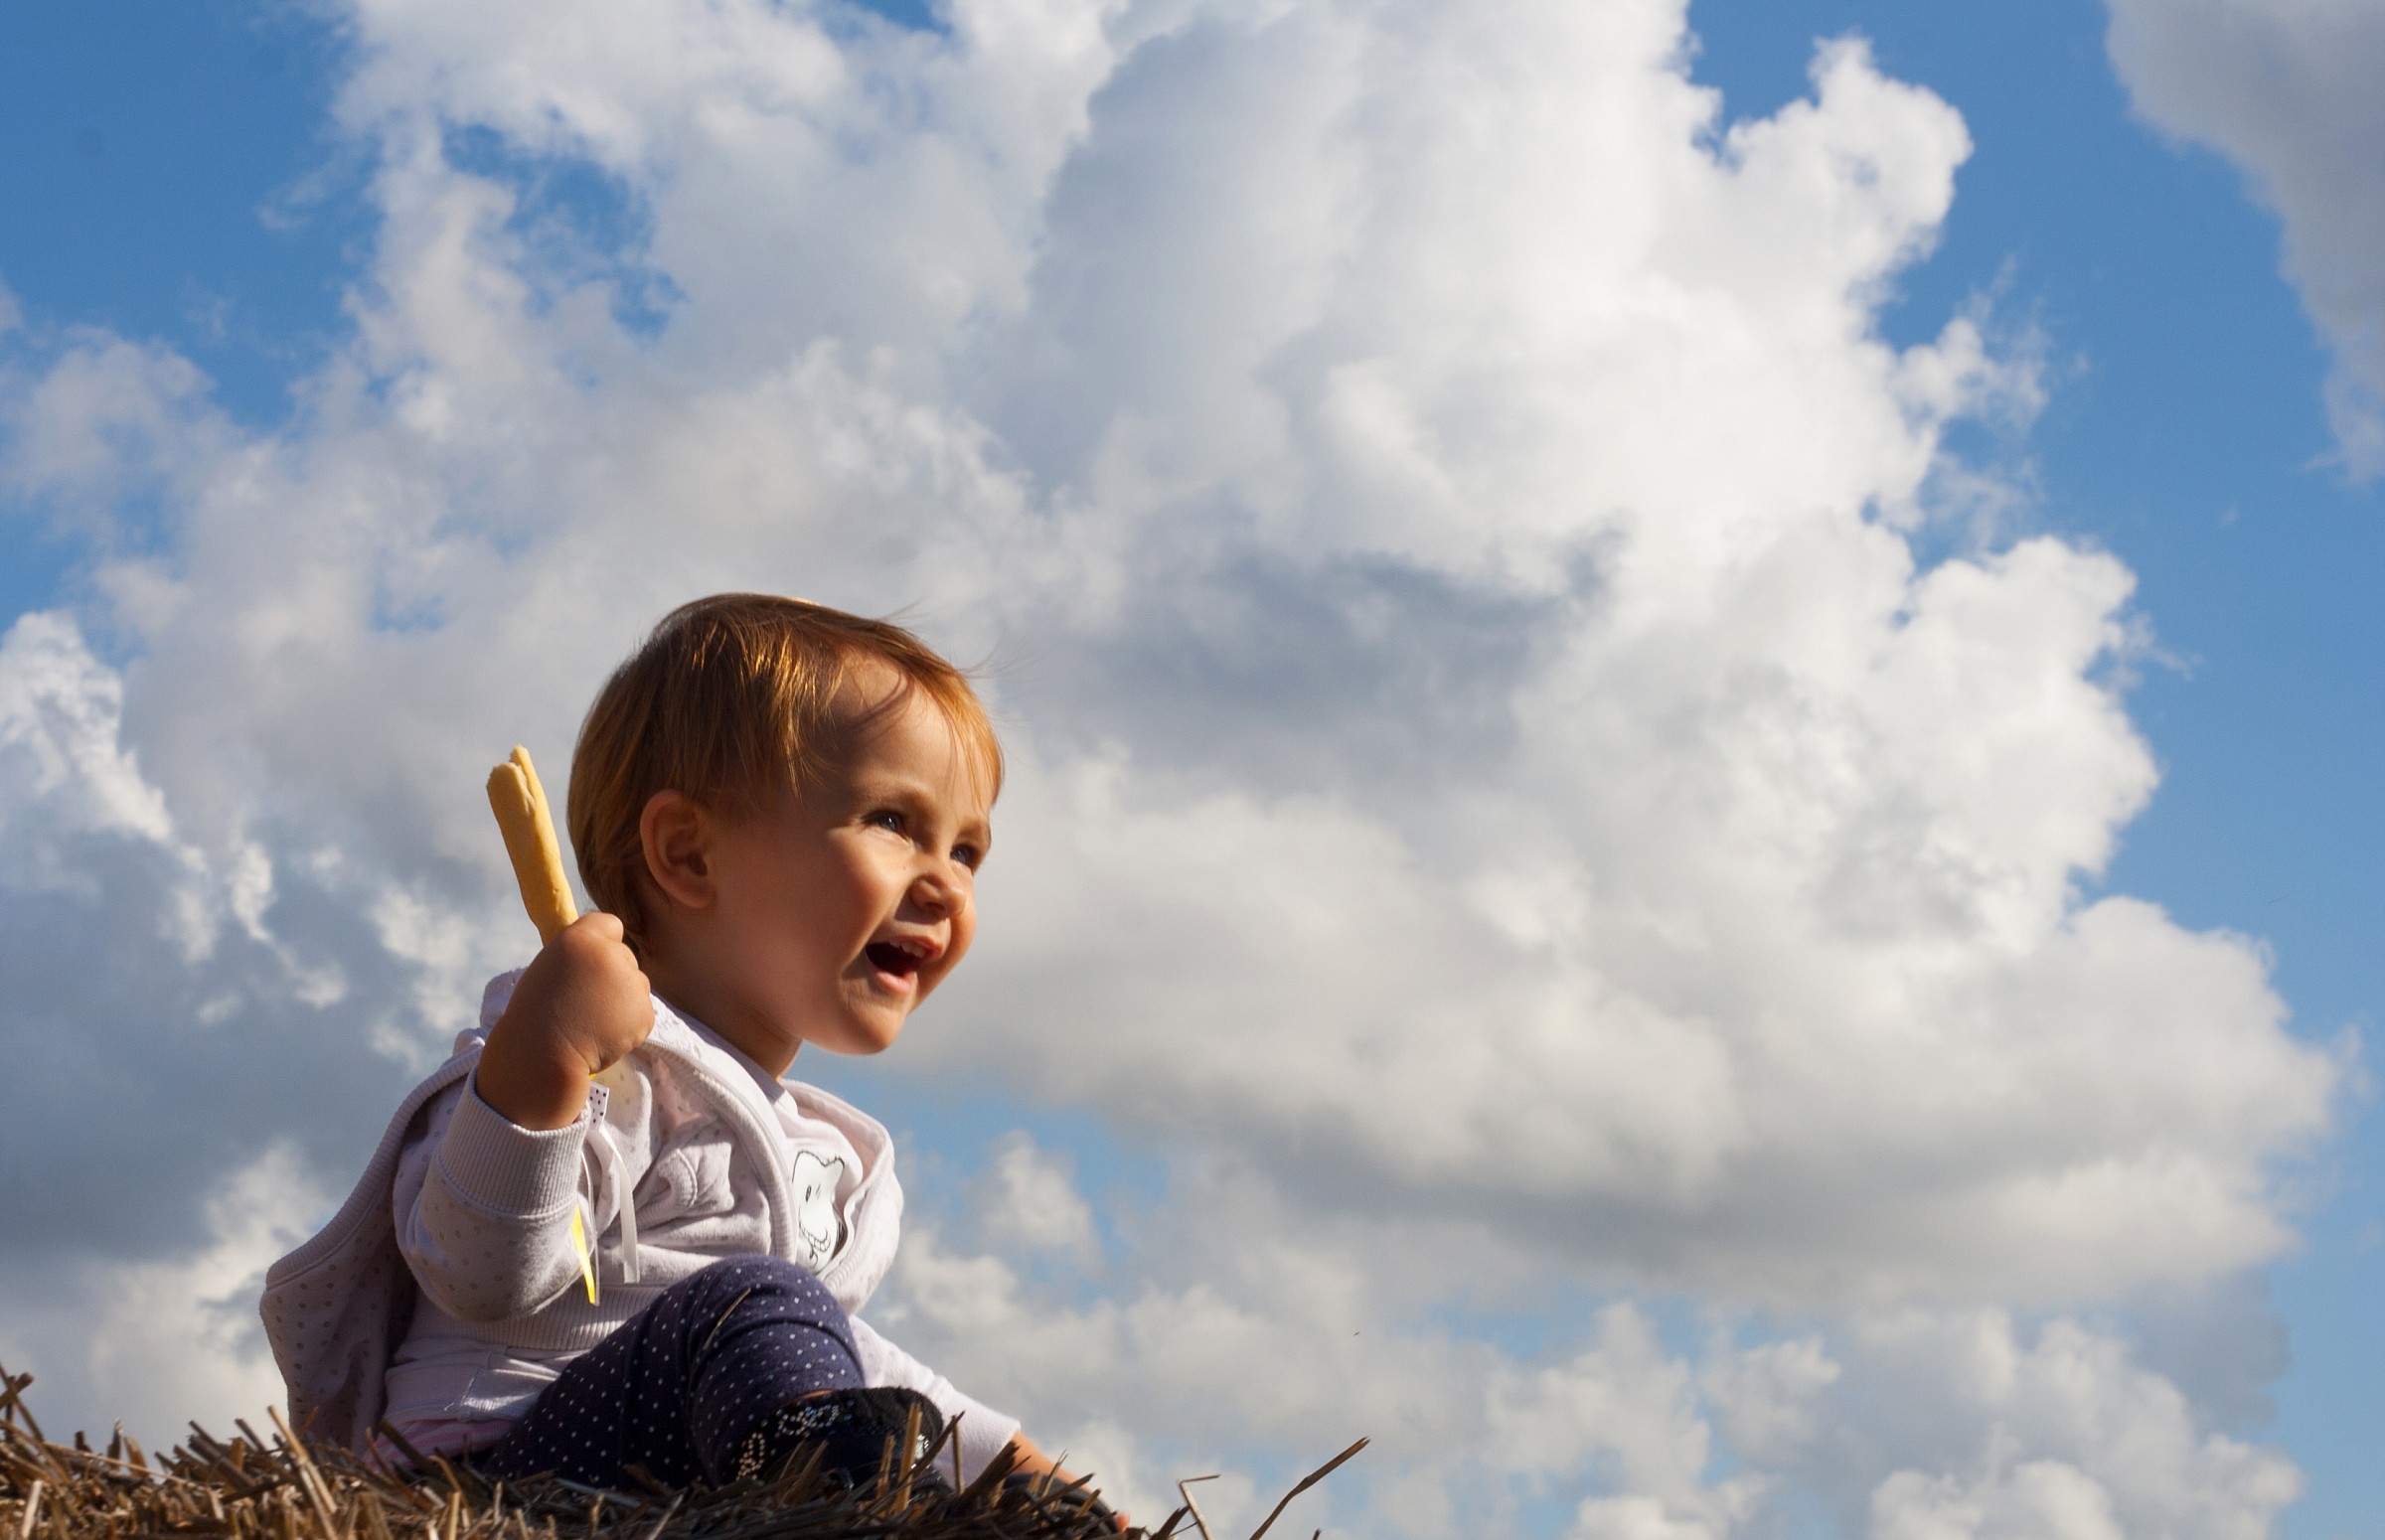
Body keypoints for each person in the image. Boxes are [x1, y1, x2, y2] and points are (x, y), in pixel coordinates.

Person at [261, 594, 1083, 1502]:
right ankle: (839, 1503)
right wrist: (549, 1057)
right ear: (690, 855)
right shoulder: (586, 1068)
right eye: (893, 821)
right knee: (758, 1310)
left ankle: (868, 1499)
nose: (946, 885)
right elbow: (475, 1271)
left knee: (817, 1364)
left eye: (967, 851)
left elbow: (840, 1355)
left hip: (667, 1480)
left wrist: (1039, 1490)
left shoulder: (816, 1153)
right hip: (494, 1474)